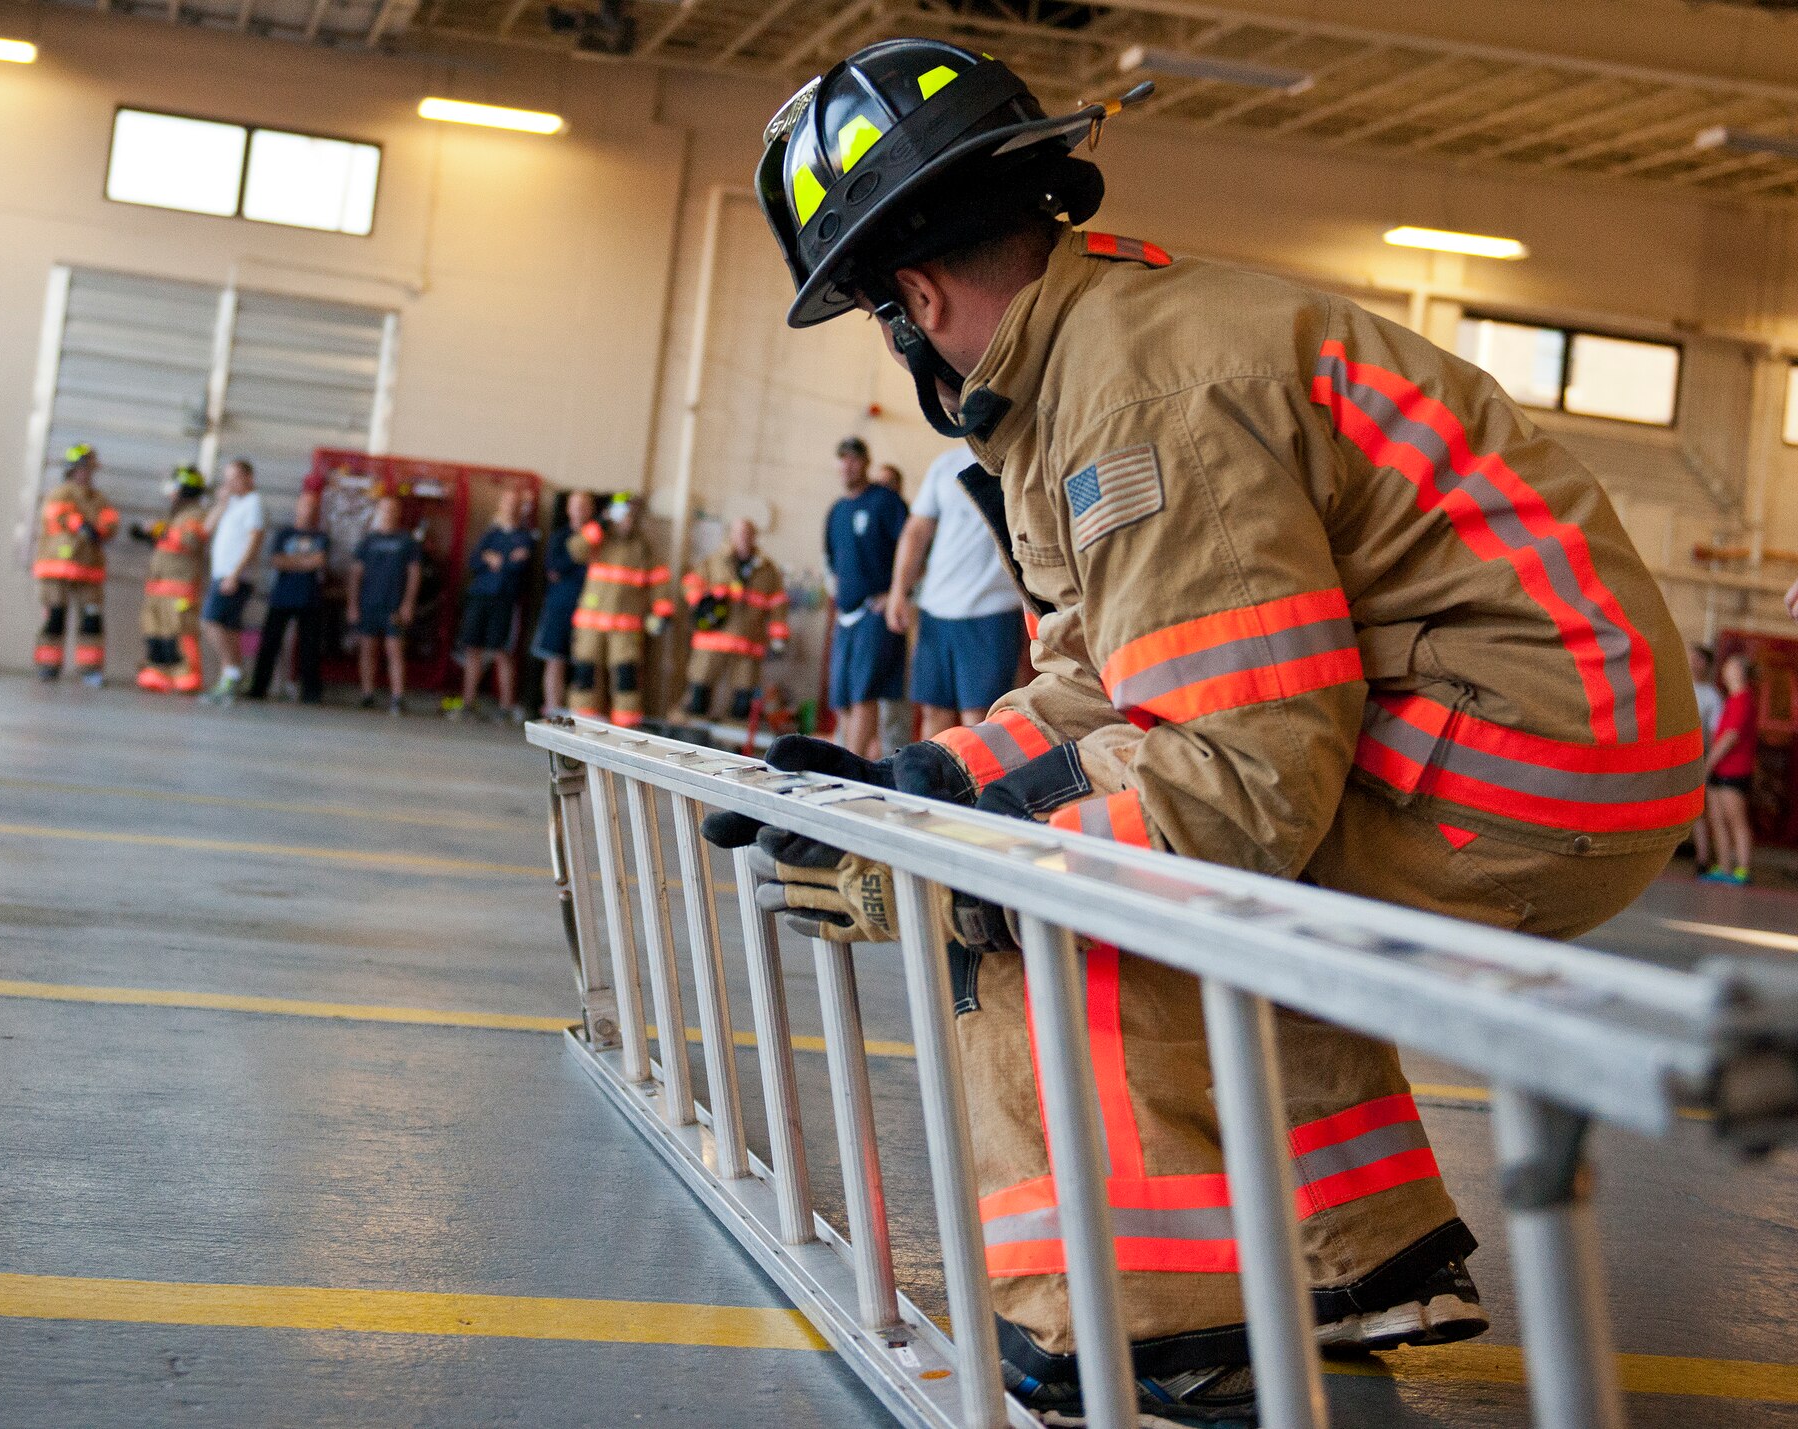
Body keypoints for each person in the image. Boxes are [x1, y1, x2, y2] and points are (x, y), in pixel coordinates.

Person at [725, 40, 1704, 1424]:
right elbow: (1105, 681)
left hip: (1516, 764)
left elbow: (1239, 784)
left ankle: (1144, 1326)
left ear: (917, 296)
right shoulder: (1110, 355)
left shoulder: (1135, 409)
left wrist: (960, 866)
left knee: (1055, 901)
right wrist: (930, 778)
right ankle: (1351, 1267)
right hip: (1540, 736)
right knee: (1102, 840)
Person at [888, 444, 1028, 736]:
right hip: (936, 609)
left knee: (980, 718)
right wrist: (898, 591)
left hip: (992, 610)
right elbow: (916, 531)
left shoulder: (1022, 457)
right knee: (933, 710)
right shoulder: (946, 463)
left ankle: (979, 784)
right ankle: (927, 782)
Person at [824, 435, 909, 758]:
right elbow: (833, 561)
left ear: (865, 463)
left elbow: (914, 548)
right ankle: (854, 757)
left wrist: (896, 592)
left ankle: (853, 767)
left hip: (875, 614)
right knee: (842, 695)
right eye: (842, 458)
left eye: (854, 458)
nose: (848, 465)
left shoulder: (886, 502)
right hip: (845, 616)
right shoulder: (837, 510)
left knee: (864, 694)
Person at [567, 494, 672, 728]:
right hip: (591, 623)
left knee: (626, 676)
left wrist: (663, 612)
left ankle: (626, 727)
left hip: (625, 626)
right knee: (585, 672)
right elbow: (575, 549)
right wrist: (600, 524)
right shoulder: (599, 539)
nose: (626, 521)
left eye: (630, 516)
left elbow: (660, 582)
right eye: (622, 515)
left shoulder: (643, 548)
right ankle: (581, 722)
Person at [670, 517, 790, 724]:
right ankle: (692, 736)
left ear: (755, 537)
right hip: (713, 641)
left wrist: (779, 638)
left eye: (748, 533)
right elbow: (690, 583)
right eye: (739, 533)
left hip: (748, 643)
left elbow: (778, 604)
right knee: (699, 692)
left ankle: (732, 744)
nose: (743, 538)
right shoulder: (714, 562)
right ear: (731, 535)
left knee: (743, 700)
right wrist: (704, 601)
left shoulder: (767, 570)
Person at [31, 444, 118, 685]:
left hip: (88, 568)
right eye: (82, 468)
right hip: (56, 568)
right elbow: (59, 514)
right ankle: (48, 666)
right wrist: (80, 524)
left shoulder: (98, 499)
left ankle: (90, 670)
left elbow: (110, 523)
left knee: (91, 619)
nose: (87, 473)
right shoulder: (60, 494)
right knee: (55, 617)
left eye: (90, 469)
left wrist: (100, 529)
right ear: (72, 469)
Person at [454, 487, 536, 721]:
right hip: (480, 597)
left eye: (515, 503)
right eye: (507, 502)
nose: (510, 507)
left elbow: (518, 565)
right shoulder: (491, 534)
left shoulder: (525, 537)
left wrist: (496, 559)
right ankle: (468, 703)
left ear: (520, 508)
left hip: (505, 600)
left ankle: (506, 706)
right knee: (473, 648)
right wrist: (496, 559)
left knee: (502, 651)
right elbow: (474, 560)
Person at [129, 465, 211, 694]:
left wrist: (161, 531)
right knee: (156, 634)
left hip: (179, 589)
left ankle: (187, 678)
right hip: (157, 589)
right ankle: (157, 675)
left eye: (175, 488)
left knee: (181, 633)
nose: (171, 493)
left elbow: (191, 541)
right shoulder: (174, 517)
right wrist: (147, 535)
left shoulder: (196, 515)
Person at [247, 487, 330, 705]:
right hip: (281, 597)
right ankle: (258, 687)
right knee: (269, 644)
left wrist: (293, 562)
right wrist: (305, 562)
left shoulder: (320, 537)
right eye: (305, 505)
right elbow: (277, 561)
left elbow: (319, 561)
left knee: (309, 648)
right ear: (297, 507)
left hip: (309, 599)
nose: (308, 510)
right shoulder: (284, 534)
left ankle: (311, 692)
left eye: (313, 507)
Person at [346, 489, 422, 716]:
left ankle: (398, 697)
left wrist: (408, 604)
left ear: (398, 513)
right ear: (378, 512)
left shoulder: (407, 541)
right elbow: (355, 574)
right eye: (384, 509)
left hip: (394, 605)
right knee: (367, 648)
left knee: (394, 649)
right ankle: (367, 694)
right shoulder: (368, 541)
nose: (387, 513)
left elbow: (414, 574)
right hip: (369, 603)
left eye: (392, 509)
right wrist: (353, 604)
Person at [201, 458, 266, 701]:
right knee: (228, 627)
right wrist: (221, 502)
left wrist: (236, 573)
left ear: (249, 478)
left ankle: (232, 672)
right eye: (226, 479)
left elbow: (254, 540)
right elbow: (206, 529)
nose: (230, 483)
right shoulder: (233, 504)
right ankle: (233, 676)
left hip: (234, 575)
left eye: (235, 478)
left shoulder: (254, 503)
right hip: (222, 573)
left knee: (211, 622)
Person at [531, 490, 595, 715]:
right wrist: (577, 561)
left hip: (589, 608)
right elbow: (554, 568)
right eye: (575, 505)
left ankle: (579, 709)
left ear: (591, 510)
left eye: (584, 506)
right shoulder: (559, 537)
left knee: (584, 659)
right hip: (559, 606)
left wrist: (572, 567)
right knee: (554, 657)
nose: (579, 510)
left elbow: (595, 572)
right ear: (568, 509)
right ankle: (553, 708)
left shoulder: (598, 538)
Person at [1703, 651, 1758, 885]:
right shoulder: (1730, 699)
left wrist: (1709, 763)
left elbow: (1730, 737)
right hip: (1719, 769)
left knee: (1736, 819)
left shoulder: (1744, 699)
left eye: (1731, 666)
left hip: (1734, 769)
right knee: (1717, 819)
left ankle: (1742, 869)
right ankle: (1724, 866)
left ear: (1741, 672)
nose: (1725, 668)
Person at [1689, 644, 1725, 873]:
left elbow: (1714, 734)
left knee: (1697, 810)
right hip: (1672, 754)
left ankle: (1702, 858)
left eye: (1700, 660)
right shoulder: (1680, 687)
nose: (1694, 663)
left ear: (1707, 665)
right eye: (1692, 658)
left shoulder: (1712, 696)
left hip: (1697, 757)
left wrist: (1707, 763)